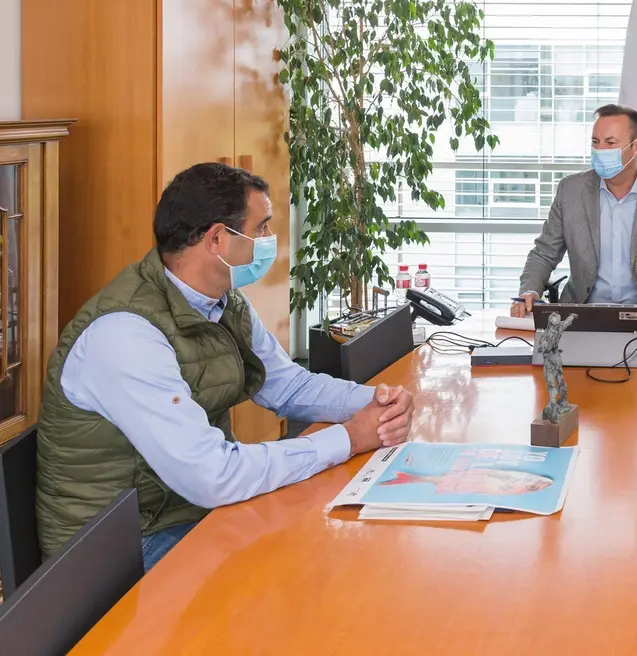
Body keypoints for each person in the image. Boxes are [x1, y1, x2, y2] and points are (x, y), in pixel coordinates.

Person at [35, 163, 415, 570]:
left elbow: (287, 387)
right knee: (300, 563)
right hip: (119, 550)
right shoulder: (125, 334)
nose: (271, 241)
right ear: (218, 239)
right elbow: (213, 475)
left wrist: (380, 402)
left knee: (322, 540)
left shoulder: (222, 300)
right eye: (262, 228)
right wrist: (349, 439)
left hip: (188, 509)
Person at [512, 104, 637, 334]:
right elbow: (544, 252)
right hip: (582, 318)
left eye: (610, 143)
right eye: (595, 142)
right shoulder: (570, 190)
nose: (600, 150)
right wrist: (529, 291)